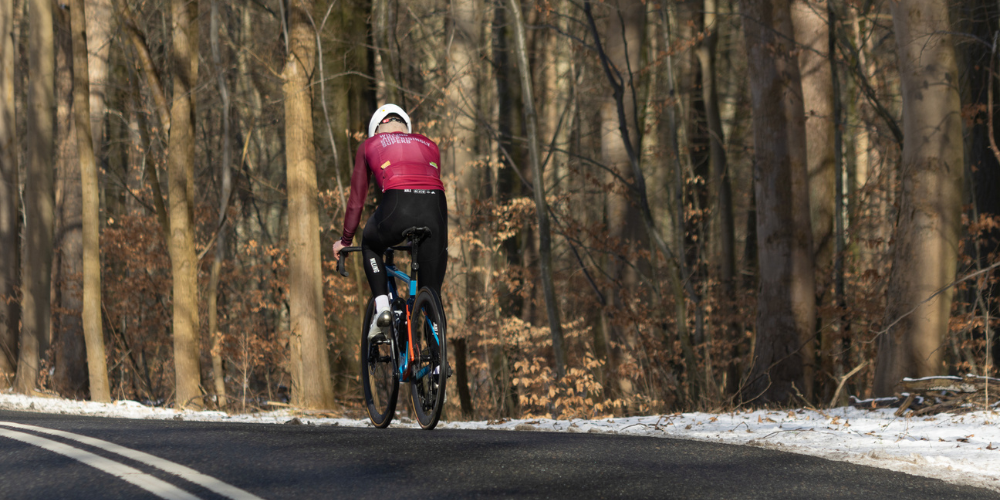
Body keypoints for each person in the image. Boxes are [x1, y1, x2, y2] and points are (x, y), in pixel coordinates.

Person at [332, 104, 448, 341]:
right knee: (433, 293)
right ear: (407, 127)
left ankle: (383, 307)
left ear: (376, 130)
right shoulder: (429, 144)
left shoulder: (369, 145)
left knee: (370, 243)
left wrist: (345, 240)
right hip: (436, 208)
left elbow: (356, 200)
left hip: (397, 204)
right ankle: (438, 367)